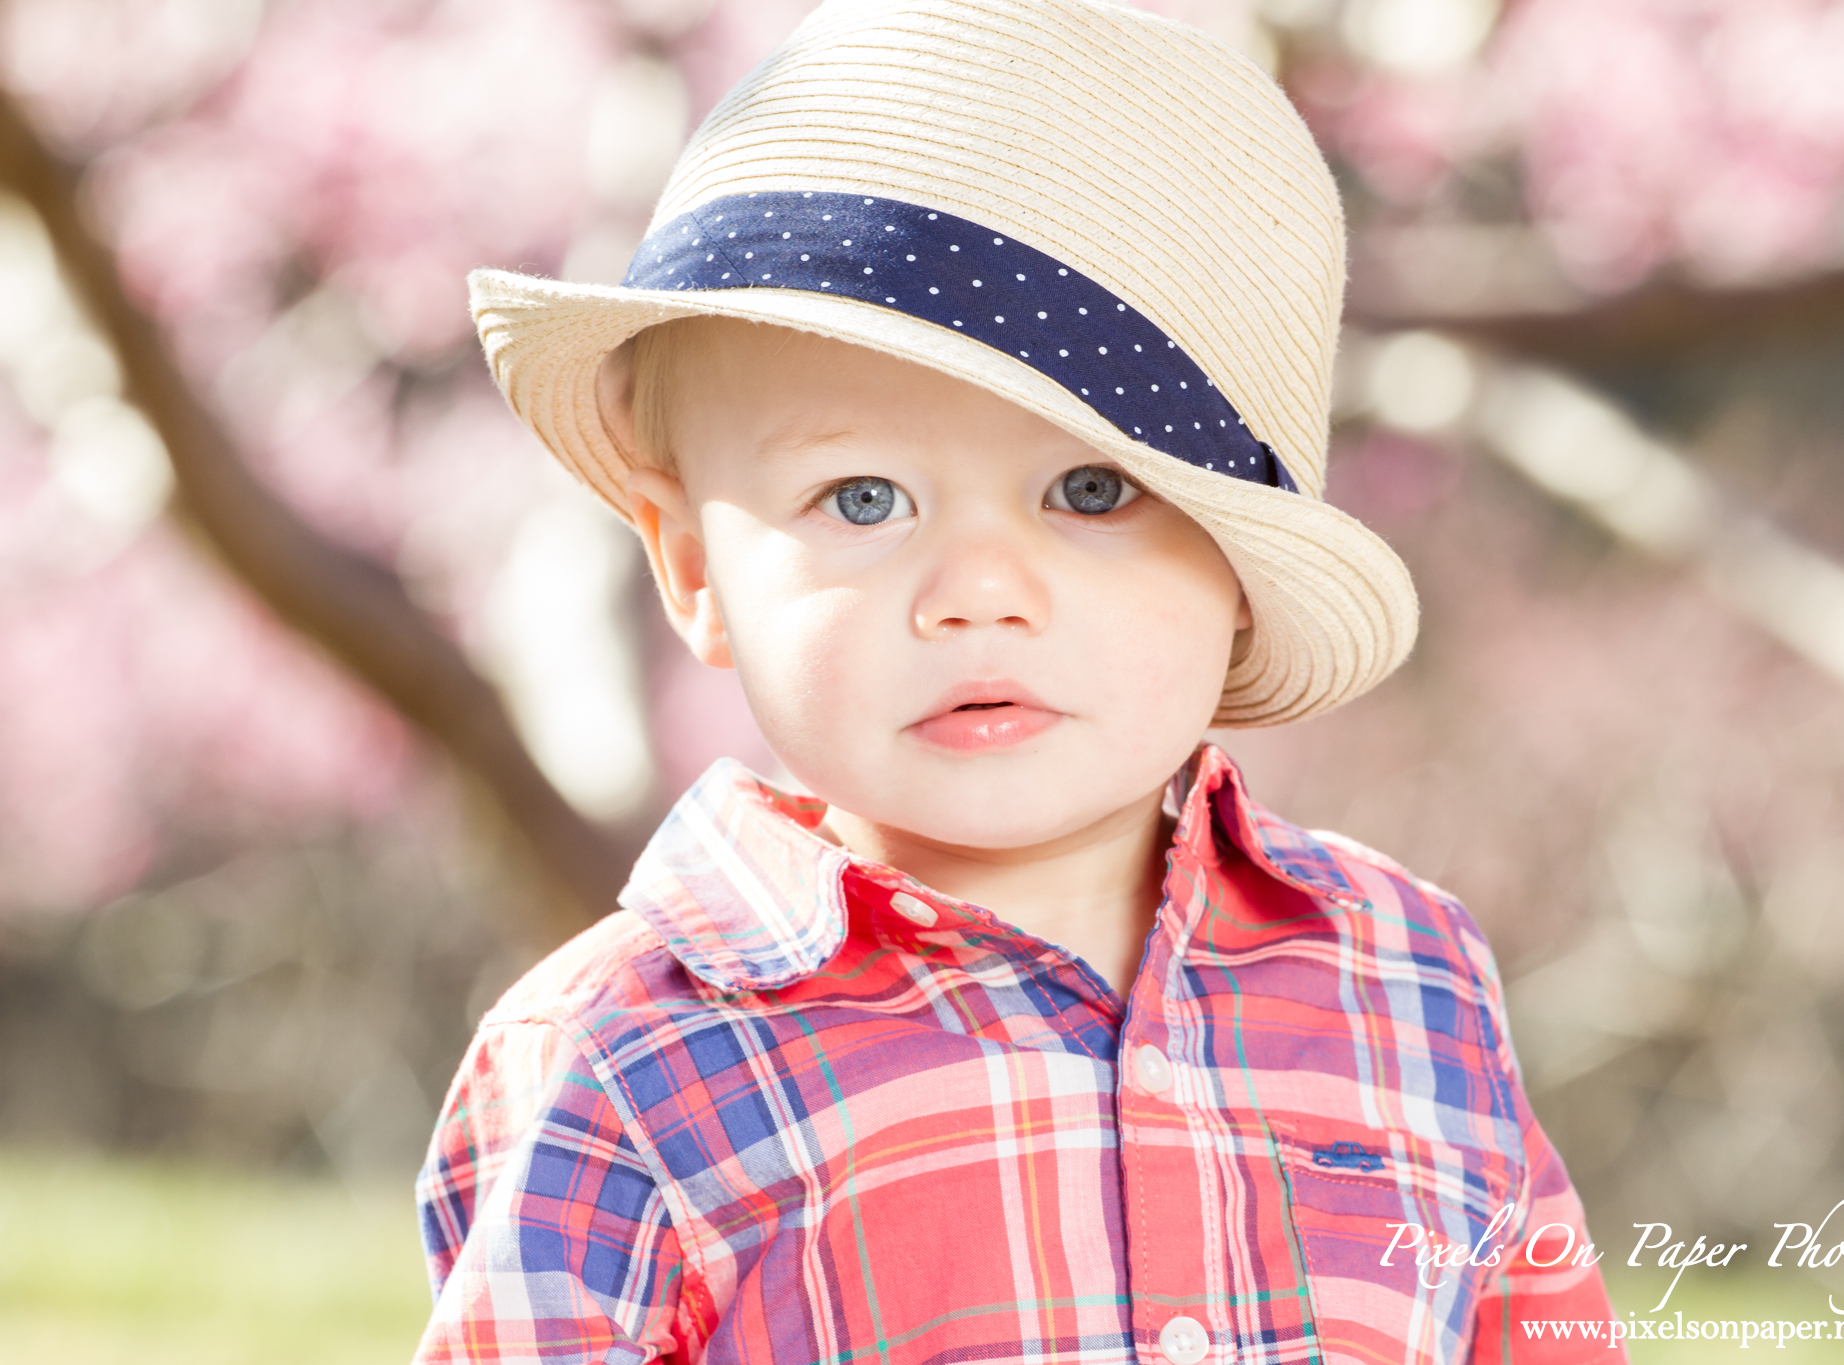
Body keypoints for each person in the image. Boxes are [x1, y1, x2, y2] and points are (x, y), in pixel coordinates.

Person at [415, 1, 1621, 1361]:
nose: (979, 589)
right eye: (861, 497)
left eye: (1090, 489)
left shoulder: (1408, 981)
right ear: (695, 570)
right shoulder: (628, 1066)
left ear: (1236, 562)